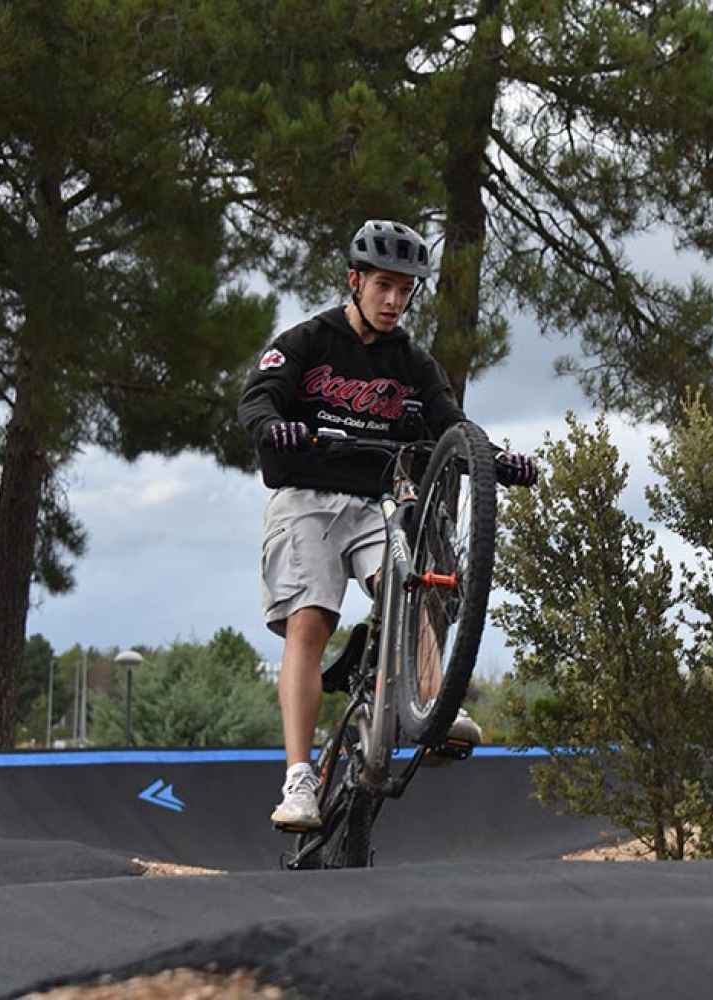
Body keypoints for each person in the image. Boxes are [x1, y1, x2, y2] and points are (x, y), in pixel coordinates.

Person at [238, 220, 538, 830]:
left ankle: (431, 701)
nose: (394, 301)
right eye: (383, 286)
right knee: (311, 619)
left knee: (420, 584)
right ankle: (298, 779)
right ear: (355, 281)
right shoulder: (307, 341)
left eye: (406, 290)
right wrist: (276, 426)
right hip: (310, 498)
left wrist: (496, 460)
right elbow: (257, 398)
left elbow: (456, 425)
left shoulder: (413, 363)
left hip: (379, 503)